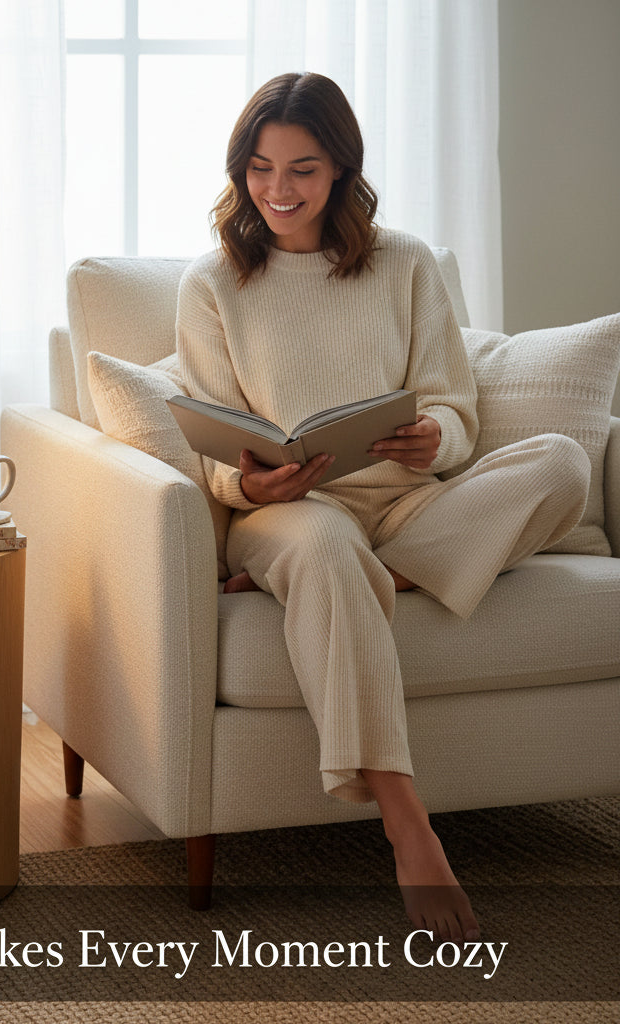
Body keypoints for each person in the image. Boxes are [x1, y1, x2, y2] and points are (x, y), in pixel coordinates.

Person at [176, 72, 590, 943]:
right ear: (238, 170)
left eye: (303, 169)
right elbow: (213, 439)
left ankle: (383, 577)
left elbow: (452, 403)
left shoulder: (404, 264)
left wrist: (434, 436)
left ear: (342, 171)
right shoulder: (213, 284)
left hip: (407, 508)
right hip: (292, 514)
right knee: (324, 548)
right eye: (258, 168)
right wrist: (250, 487)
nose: (278, 191)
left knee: (558, 462)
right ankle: (410, 828)